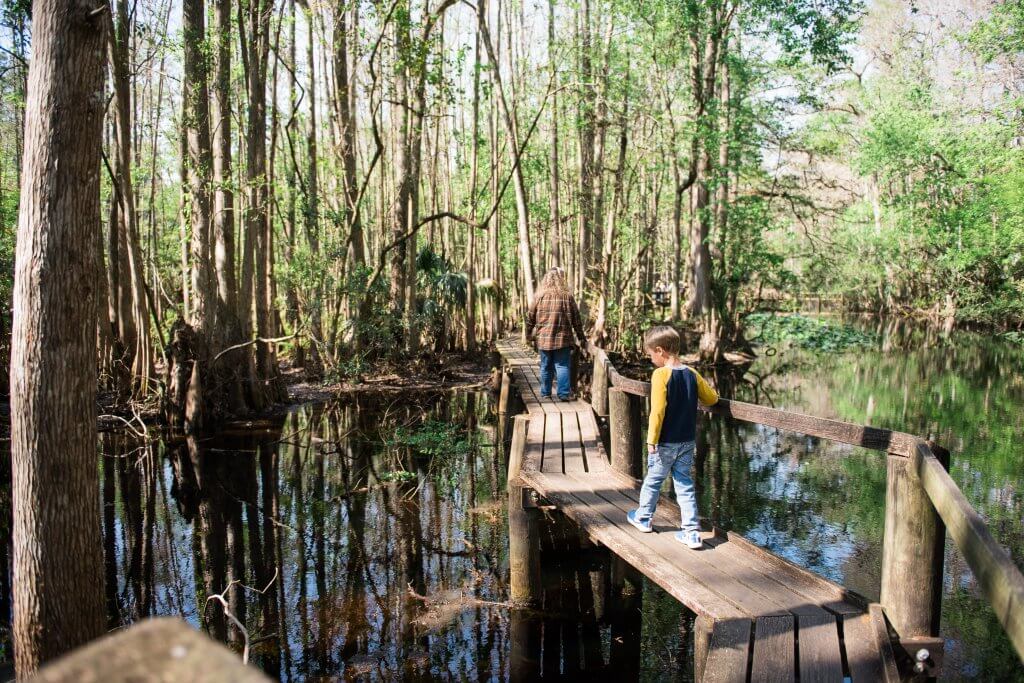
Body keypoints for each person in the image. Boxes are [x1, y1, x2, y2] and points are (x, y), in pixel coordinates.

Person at [627, 325, 719, 548]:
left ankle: (643, 518)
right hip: (687, 442)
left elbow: (657, 410)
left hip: (665, 443)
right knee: (684, 484)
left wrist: (651, 440)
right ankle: (691, 533)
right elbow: (712, 399)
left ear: (660, 350)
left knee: (653, 481)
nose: (651, 359)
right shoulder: (691, 373)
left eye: (650, 354)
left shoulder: (660, 374)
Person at [525, 268, 587, 401]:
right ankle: (563, 394)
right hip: (562, 339)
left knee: (546, 366)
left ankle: (546, 393)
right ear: (561, 281)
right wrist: (581, 337)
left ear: (545, 281)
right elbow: (577, 320)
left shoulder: (539, 297)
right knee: (562, 366)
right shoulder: (567, 297)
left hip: (544, 340)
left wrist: (528, 334)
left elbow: (530, 318)